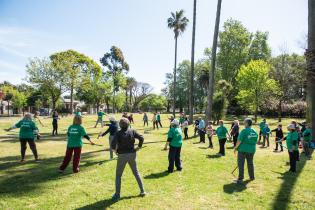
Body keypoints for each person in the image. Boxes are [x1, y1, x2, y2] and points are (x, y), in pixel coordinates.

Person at [111, 118, 145, 200]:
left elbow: (112, 144)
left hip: (122, 155)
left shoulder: (118, 133)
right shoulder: (132, 131)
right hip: (132, 154)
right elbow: (141, 138)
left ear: (120, 125)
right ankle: (142, 191)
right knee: (136, 173)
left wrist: (115, 151)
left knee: (118, 175)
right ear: (129, 124)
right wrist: (139, 147)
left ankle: (117, 194)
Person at [234, 118, 258, 183]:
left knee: (241, 163)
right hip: (251, 150)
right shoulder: (255, 131)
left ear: (247, 123)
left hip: (243, 150)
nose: (243, 124)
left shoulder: (244, 131)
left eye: (244, 122)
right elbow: (256, 141)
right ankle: (252, 177)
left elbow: (239, 140)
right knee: (250, 163)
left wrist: (235, 148)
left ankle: (240, 179)